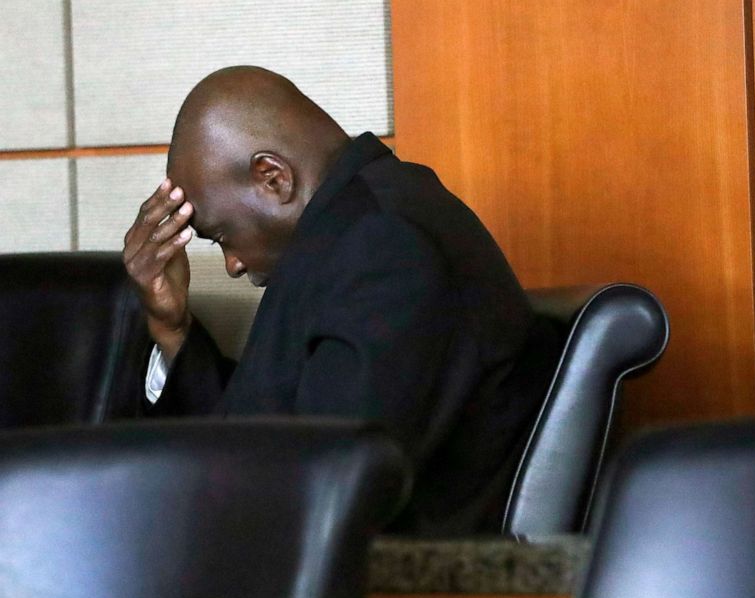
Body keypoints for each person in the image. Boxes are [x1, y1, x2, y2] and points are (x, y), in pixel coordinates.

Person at [122, 66, 560, 535]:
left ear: (273, 178)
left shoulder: (385, 243)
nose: (232, 264)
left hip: (388, 588)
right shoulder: (355, 228)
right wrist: (171, 327)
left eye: (223, 235)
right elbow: (269, 432)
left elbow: (330, 478)